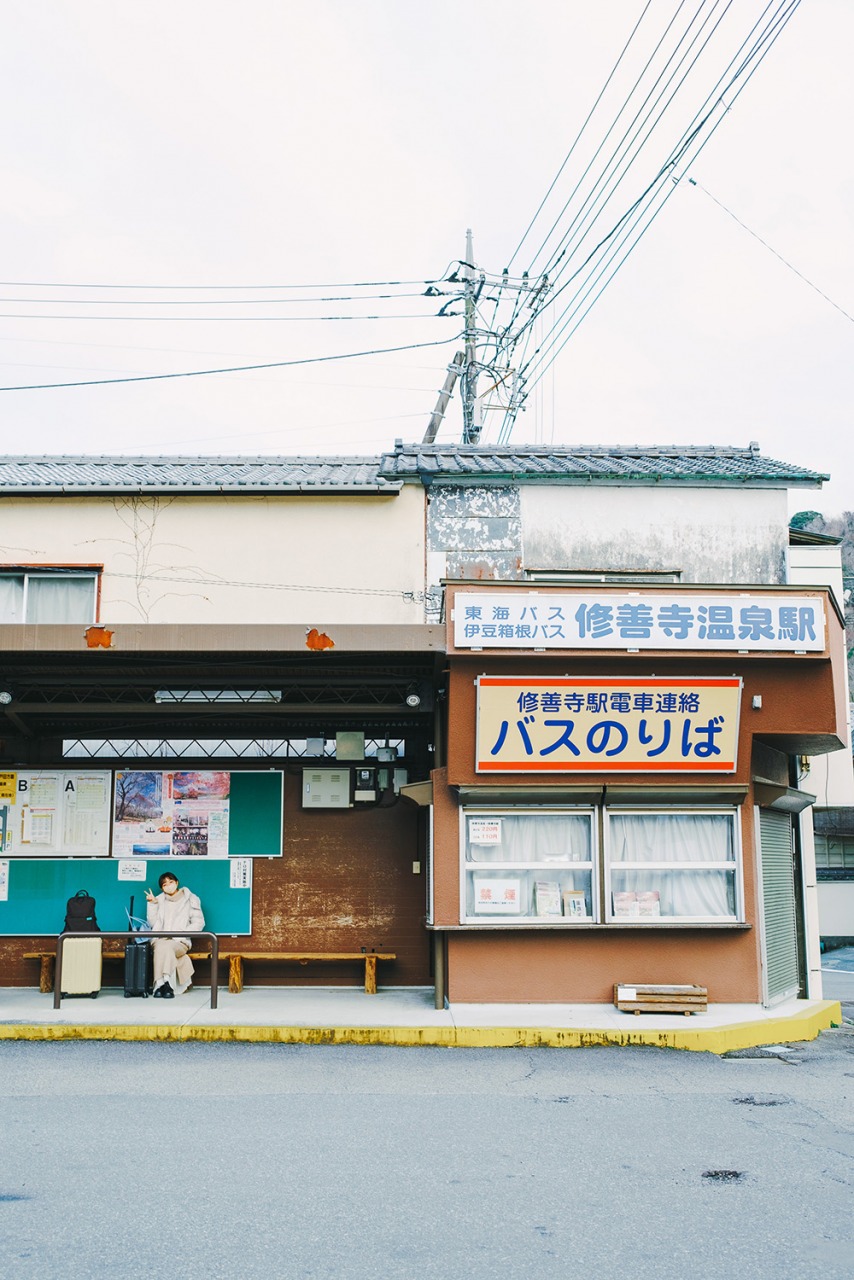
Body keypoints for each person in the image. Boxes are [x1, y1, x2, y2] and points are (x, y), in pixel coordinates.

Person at [145, 872, 205, 998]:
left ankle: (162, 984)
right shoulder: (159, 899)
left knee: (165, 948)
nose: (168, 886)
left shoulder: (190, 899)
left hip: (180, 942)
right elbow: (153, 923)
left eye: (170, 882)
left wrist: (182, 933)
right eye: (164, 884)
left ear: (177, 882)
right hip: (160, 940)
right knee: (162, 946)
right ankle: (166, 986)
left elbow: (199, 923)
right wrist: (152, 904)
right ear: (162, 888)